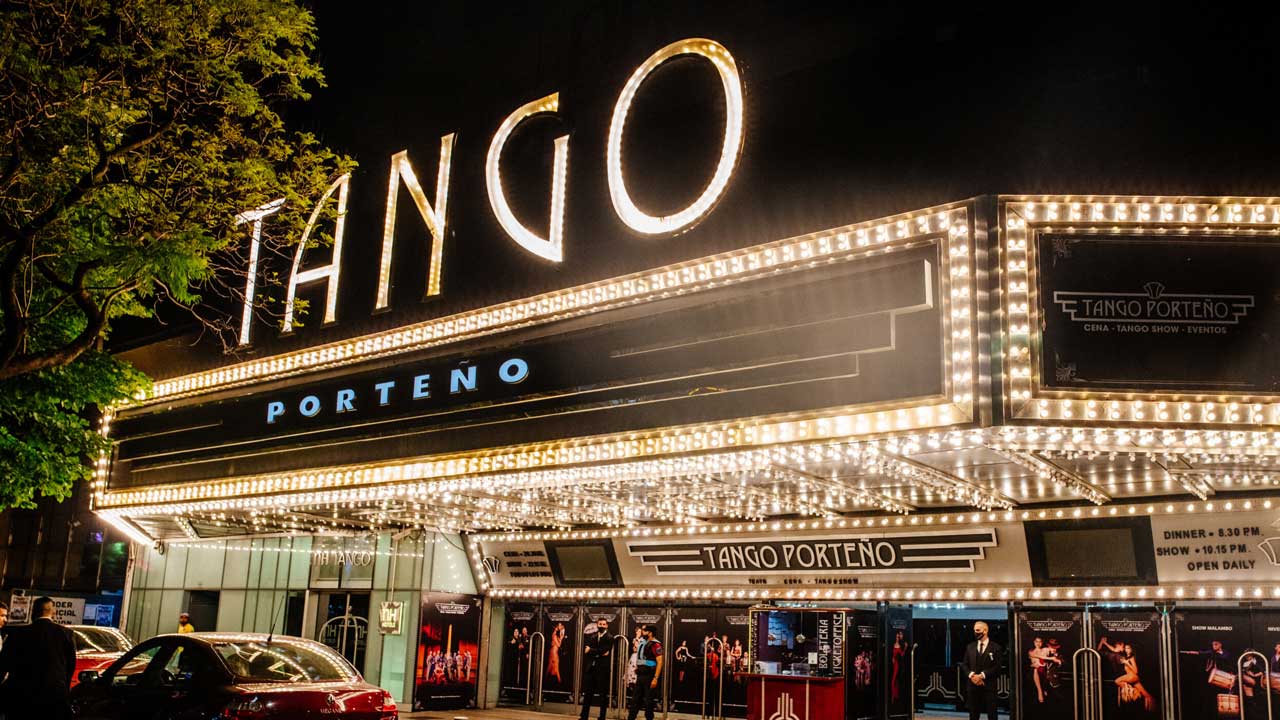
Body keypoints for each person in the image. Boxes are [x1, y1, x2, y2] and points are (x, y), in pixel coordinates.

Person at [0, 596, 77, 720]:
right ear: (53, 613)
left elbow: (3, 664)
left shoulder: (17, 634)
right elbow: (71, 665)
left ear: (32, 612)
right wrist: (63, 686)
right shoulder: (66, 634)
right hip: (55, 696)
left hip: (22, 697)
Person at [959, 621, 1002, 720]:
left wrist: (981, 676)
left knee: (992, 715)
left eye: (978, 630)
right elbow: (964, 664)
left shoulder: (996, 648)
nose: (975, 632)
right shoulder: (970, 647)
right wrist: (972, 675)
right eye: (974, 630)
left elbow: (997, 667)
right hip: (972, 686)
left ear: (985, 630)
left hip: (989, 687)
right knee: (973, 714)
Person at [580, 618, 615, 720]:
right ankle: (584, 716)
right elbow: (588, 651)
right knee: (588, 694)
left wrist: (591, 650)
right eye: (600, 624)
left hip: (602, 670)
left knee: (602, 695)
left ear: (607, 626)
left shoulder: (610, 638)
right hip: (591, 669)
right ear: (597, 625)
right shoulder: (593, 637)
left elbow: (605, 651)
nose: (602, 626)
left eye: (604, 624)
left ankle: (602, 717)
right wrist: (596, 652)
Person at [628, 624, 664, 720]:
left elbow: (660, 662)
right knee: (635, 700)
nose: (642, 632)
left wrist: (655, 678)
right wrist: (638, 668)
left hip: (650, 676)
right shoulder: (643, 642)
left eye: (644, 631)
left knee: (649, 702)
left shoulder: (656, 644)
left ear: (650, 633)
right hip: (640, 675)